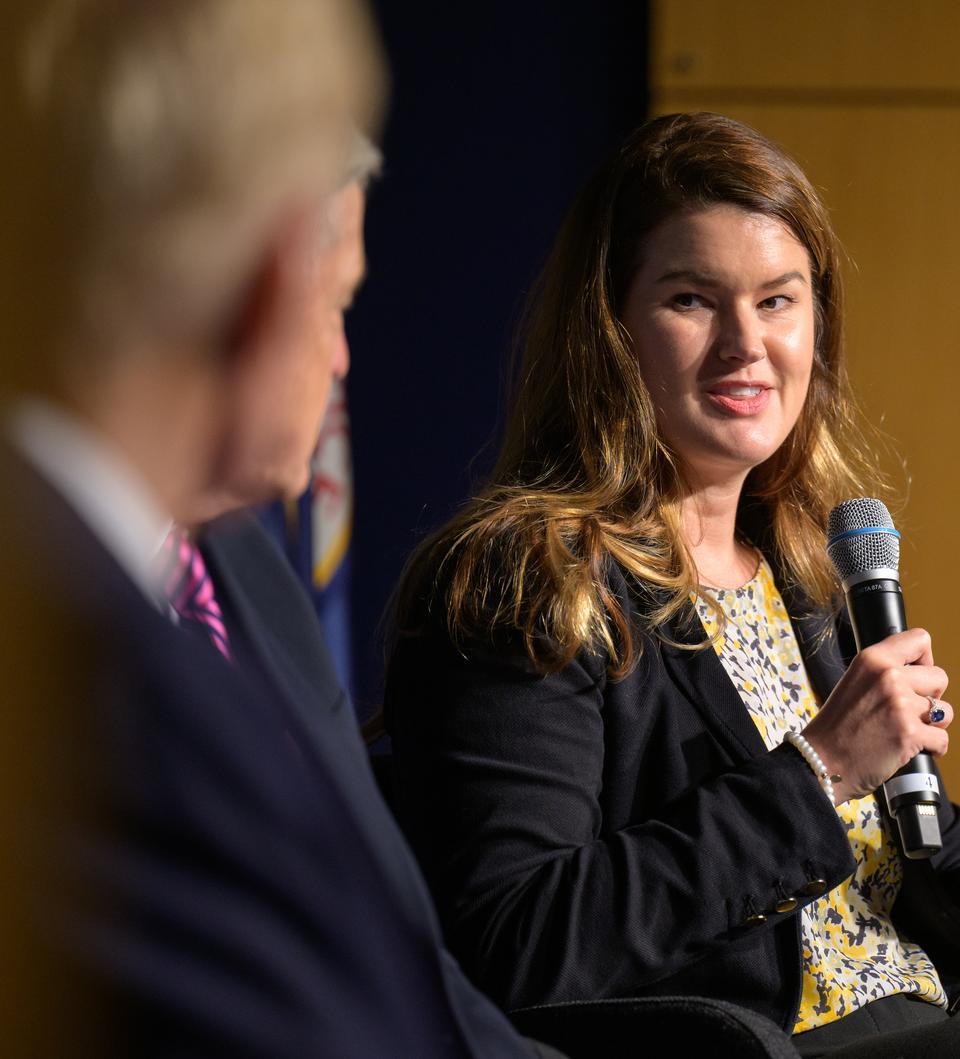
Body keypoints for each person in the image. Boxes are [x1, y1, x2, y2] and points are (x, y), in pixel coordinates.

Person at [385, 112, 960, 1058]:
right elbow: (516, 943)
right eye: (692, 299)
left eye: (779, 301)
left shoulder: (810, 577)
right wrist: (819, 771)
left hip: (921, 1019)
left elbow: (933, 924)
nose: (746, 344)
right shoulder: (527, 576)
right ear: (611, 329)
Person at [1, 2, 551, 1053]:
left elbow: (410, 969)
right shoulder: (73, 676)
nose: (342, 363)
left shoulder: (243, 570)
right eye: (338, 302)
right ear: (265, 288)